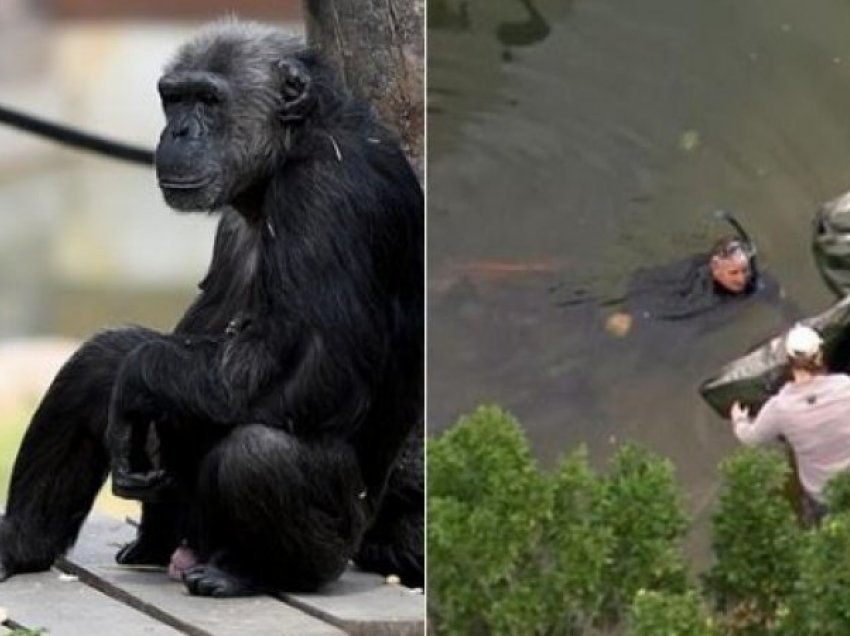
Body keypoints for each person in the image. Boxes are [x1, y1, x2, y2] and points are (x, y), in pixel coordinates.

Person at [730, 324, 850, 523]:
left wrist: (739, 418)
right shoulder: (845, 386)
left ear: (789, 361)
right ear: (819, 356)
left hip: (823, 490)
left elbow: (750, 438)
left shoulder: (780, 408)